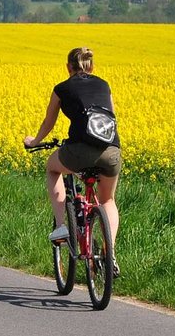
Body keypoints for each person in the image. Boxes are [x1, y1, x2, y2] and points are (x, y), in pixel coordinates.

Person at [23, 47, 122, 276]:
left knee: (52, 168)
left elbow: (48, 123)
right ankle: (110, 253)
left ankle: (60, 227)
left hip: (79, 151)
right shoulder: (104, 85)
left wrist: (34, 141)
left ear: (68, 67)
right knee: (107, 199)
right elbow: (112, 118)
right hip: (111, 150)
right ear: (92, 67)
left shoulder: (62, 88)